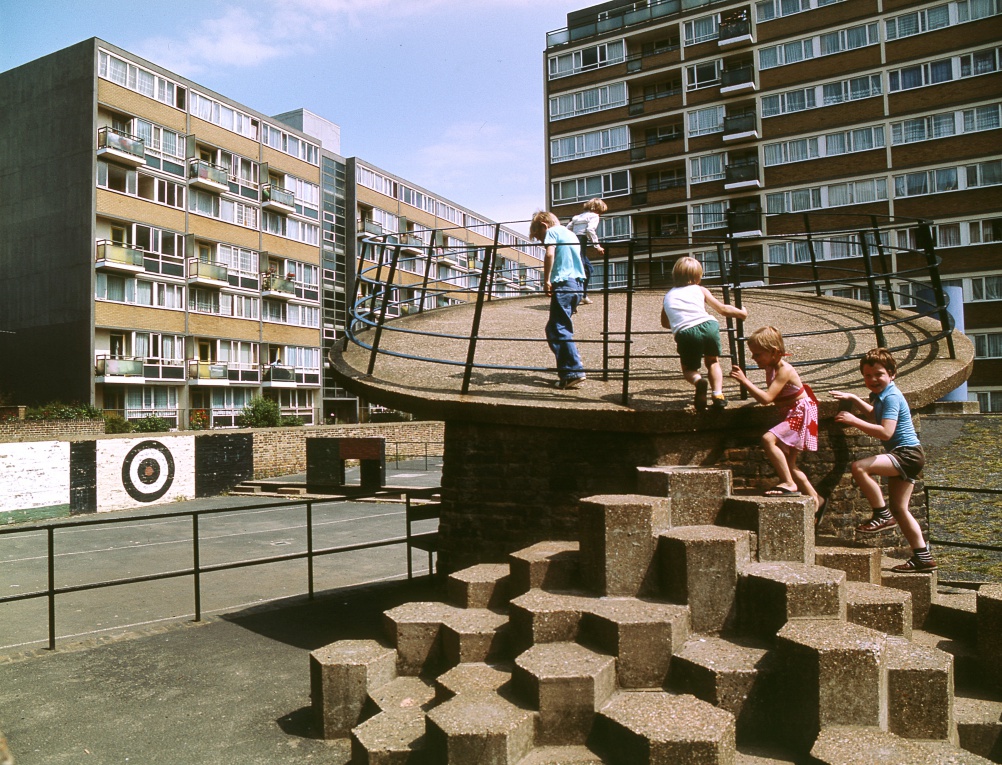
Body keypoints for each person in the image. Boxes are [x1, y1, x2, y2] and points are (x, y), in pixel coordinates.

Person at [832, 348, 935, 573]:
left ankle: (881, 514)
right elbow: (873, 415)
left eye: (878, 374)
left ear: (892, 374)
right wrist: (853, 399)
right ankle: (922, 557)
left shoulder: (892, 396)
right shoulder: (881, 396)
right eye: (867, 376)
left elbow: (886, 432)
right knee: (901, 509)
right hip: (910, 455)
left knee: (859, 467)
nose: (873, 380)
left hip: (906, 453)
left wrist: (851, 420)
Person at [729, 326, 821, 510]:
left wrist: (745, 381)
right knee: (789, 464)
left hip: (800, 413)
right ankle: (817, 501)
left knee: (767, 439)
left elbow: (766, 398)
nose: (754, 358)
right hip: (791, 412)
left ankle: (788, 483)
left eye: (757, 354)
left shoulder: (784, 370)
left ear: (773, 352)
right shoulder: (770, 367)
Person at [661, 256, 747, 411]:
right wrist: (741, 313)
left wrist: (679, 322)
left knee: (688, 369)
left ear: (674, 275)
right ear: (698, 277)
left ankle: (698, 381)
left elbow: (665, 323)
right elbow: (723, 309)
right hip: (709, 326)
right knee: (713, 362)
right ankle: (718, 395)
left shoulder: (668, 296)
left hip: (685, 332)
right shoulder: (700, 289)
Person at [530, 211, 588, 390]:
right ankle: (570, 368)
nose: (542, 241)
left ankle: (573, 372)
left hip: (563, 284)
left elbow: (549, 254)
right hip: (577, 285)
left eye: (540, 237)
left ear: (543, 226)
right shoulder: (571, 234)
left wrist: (546, 280)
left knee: (558, 328)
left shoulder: (552, 232)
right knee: (558, 327)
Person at [568, 198, 607, 305]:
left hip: (573, 241)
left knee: (587, 268)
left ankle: (583, 295)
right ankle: (579, 296)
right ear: (597, 209)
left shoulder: (577, 217)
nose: (600, 213)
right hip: (581, 241)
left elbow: (568, 228)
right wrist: (597, 246)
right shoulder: (594, 216)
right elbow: (590, 229)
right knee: (583, 269)